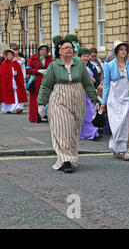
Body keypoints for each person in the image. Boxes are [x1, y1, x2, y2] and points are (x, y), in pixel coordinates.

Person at [37, 40, 98, 173]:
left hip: (77, 97)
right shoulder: (54, 66)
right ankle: (66, 160)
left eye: (70, 47)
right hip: (59, 97)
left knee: (74, 130)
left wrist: (95, 100)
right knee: (62, 128)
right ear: (59, 51)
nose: (68, 50)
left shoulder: (79, 65)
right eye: (65, 48)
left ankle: (71, 157)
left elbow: (88, 84)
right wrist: (41, 103)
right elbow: (46, 85)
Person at [100, 41, 129, 161]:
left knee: (123, 124)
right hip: (113, 98)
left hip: (126, 98)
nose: (123, 52)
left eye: (125, 50)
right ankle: (116, 146)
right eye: (121, 49)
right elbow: (106, 84)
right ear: (116, 51)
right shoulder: (109, 65)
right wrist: (103, 102)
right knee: (116, 125)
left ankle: (122, 150)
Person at [26, 44, 53, 123]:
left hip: (47, 81)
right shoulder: (33, 58)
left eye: (45, 50)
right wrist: (37, 71)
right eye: (42, 49)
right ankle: (35, 117)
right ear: (38, 50)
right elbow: (28, 70)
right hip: (36, 81)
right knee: (35, 100)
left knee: (48, 98)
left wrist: (47, 71)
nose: (43, 51)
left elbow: (52, 68)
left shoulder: (49, 58)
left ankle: (47, 115)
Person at [78, 48, 100, 140]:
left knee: (91, 112)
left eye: (87, 56)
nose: (85, 58)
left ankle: (92, 132)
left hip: (89, 93)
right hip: (79, 93)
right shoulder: (77, 67)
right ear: (80, 57)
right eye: (84, 56)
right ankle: (81, 133)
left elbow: (96, 79)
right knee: (81, 113)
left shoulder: (91, 66)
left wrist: (91, 80)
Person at [0, 49, 28, 114]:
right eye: (8, 55)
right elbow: (2, 74)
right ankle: (8, 108)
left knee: (17, 95)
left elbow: (20, 73)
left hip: (16, 82)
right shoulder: (3, 64)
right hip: (7, 83)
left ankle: (18, 107)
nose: (9, 56)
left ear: (13, 56)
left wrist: (16, 74)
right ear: (6, 56)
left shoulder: (16, 64)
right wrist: (10, 74)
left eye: (11, 54)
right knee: (7, 95)